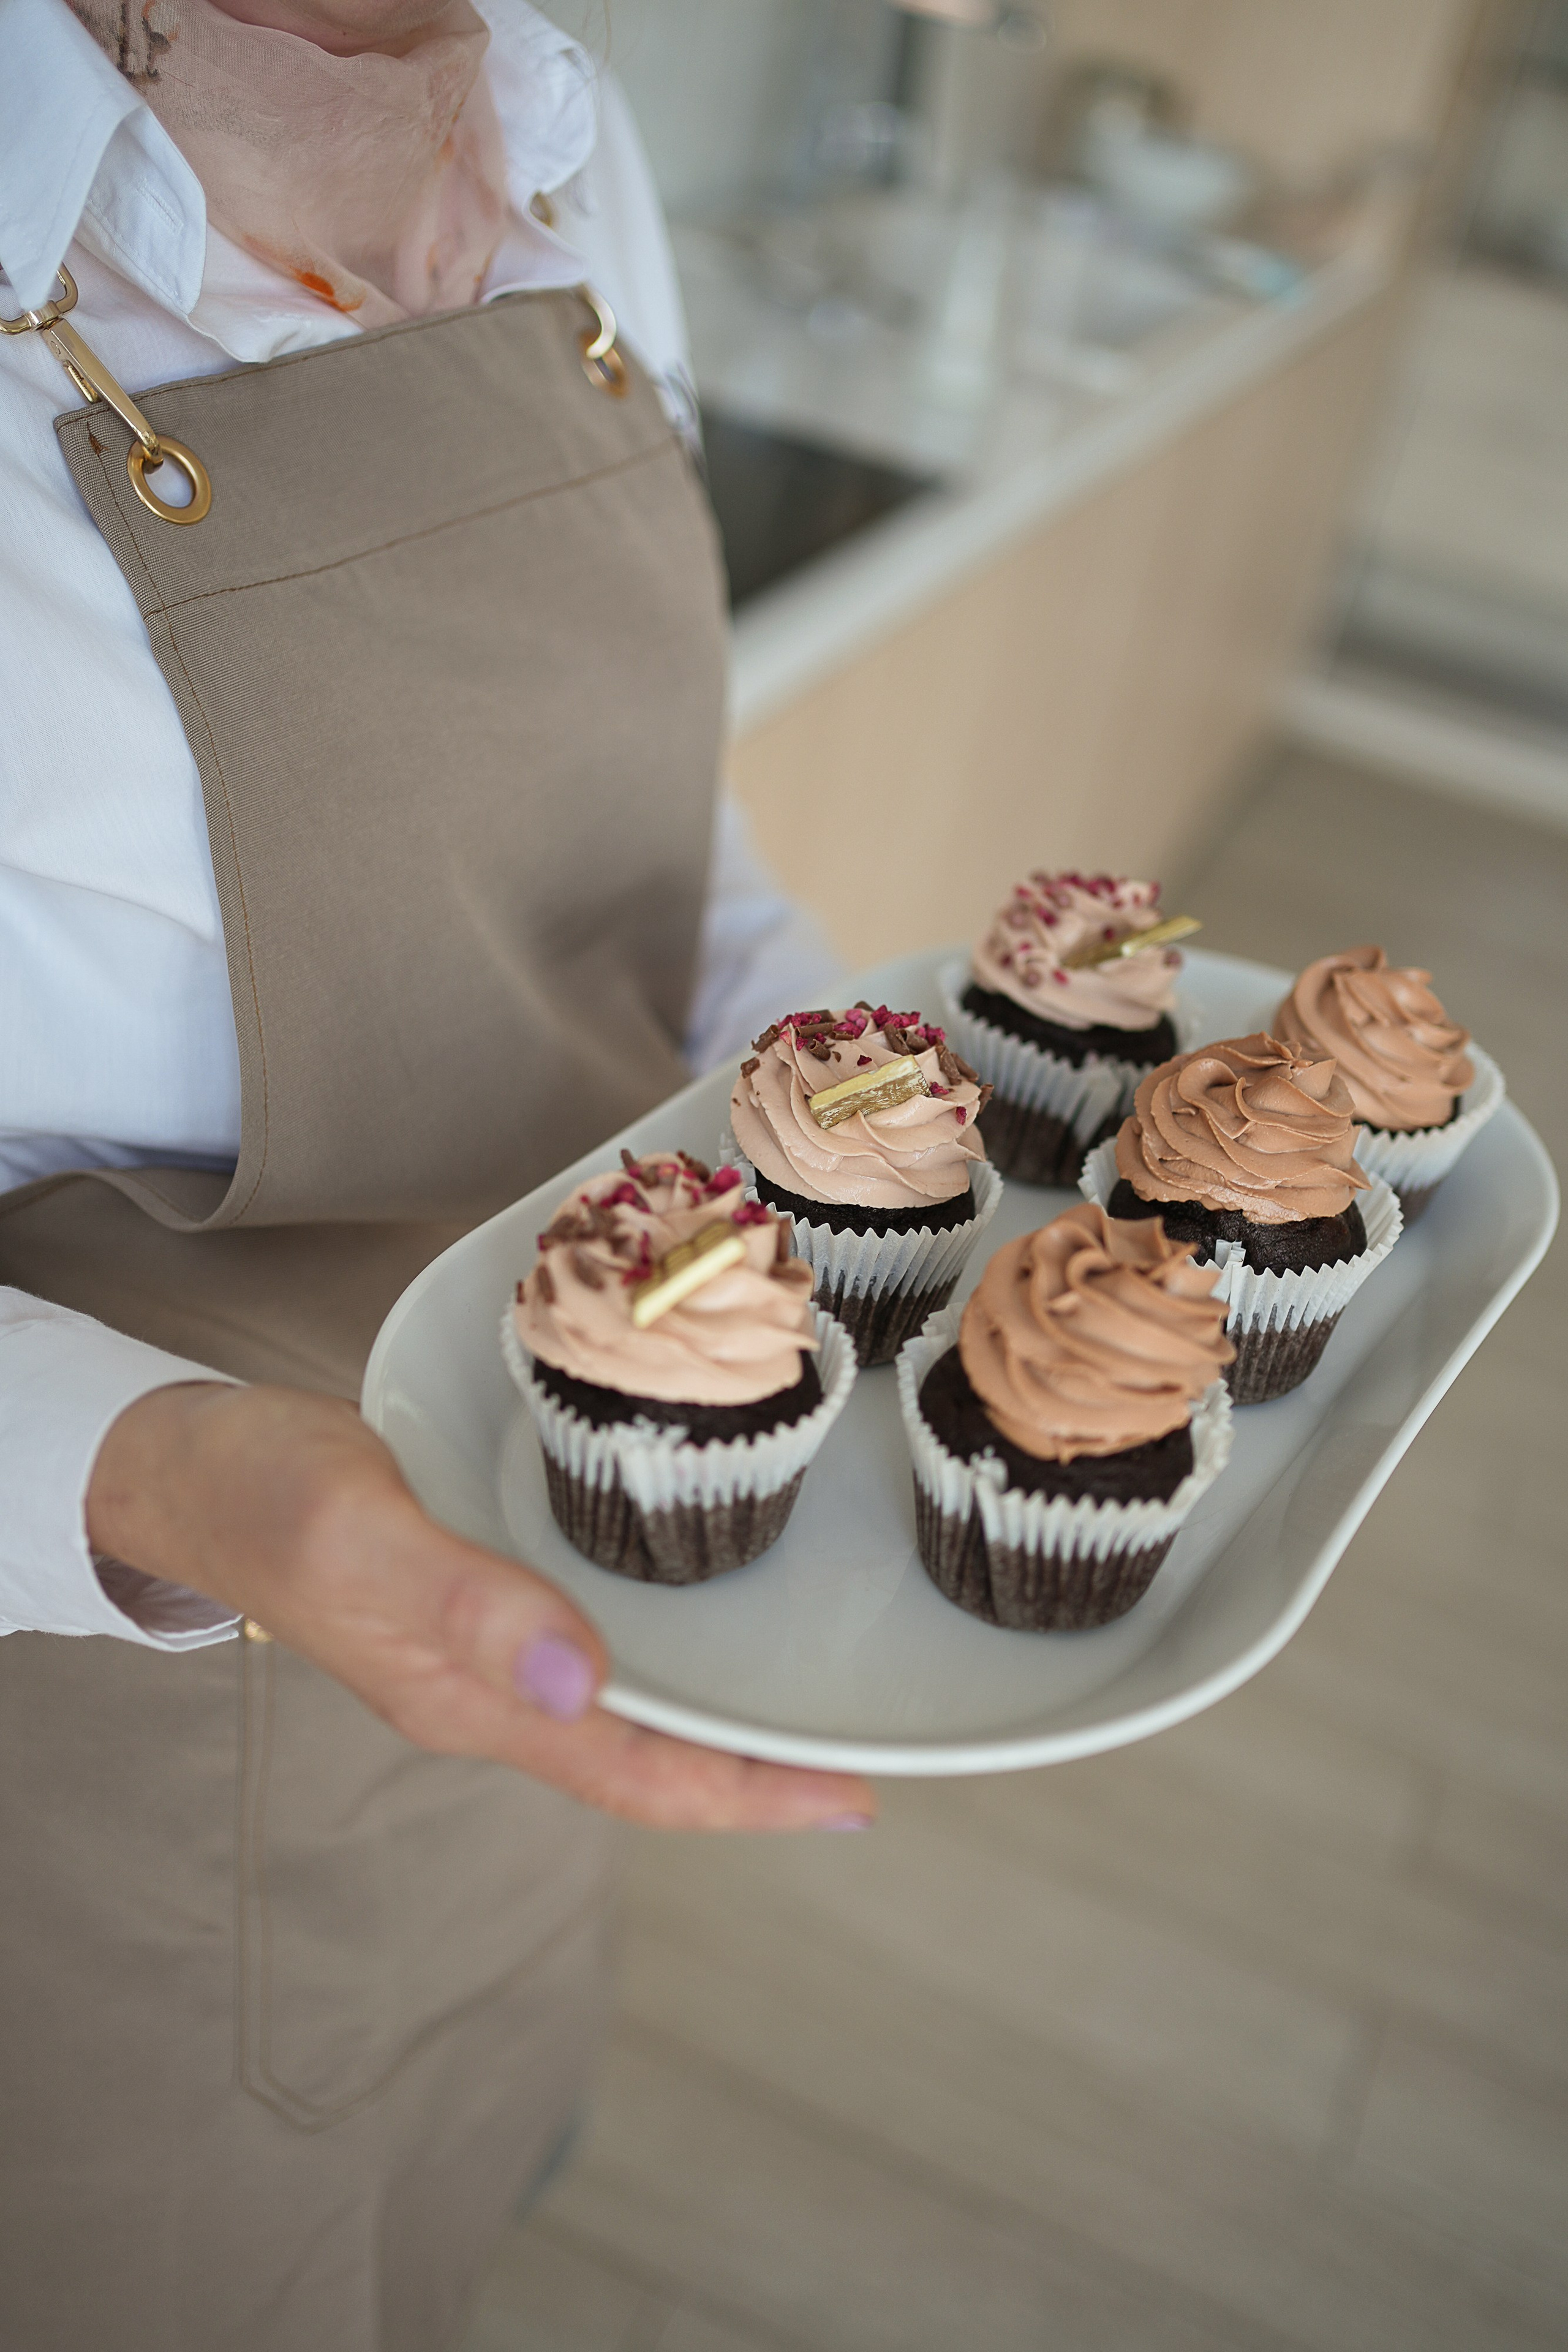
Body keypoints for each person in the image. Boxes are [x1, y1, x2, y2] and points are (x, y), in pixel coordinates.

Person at [0, 1, 875, 2343]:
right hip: (108, 1734)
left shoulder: (576, 155)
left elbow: (645, 871)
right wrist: (191, 1487)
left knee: (464, 2183)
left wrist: (883, 1095)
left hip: (574, 1571)